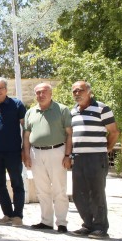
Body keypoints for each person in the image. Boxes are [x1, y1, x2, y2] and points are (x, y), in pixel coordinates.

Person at [69, 81, 119, 239]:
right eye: (74, 91)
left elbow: (114, 132)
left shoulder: (102, 108)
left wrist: (107, 149)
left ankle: (100, 228)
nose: (77, 93)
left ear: (89, 92)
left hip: (96, 158)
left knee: (96, 192)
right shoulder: (73, 112)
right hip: (78, 158)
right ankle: (88, 225)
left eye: (80, 90)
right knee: (78, 193)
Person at [23, 83, 72, 233]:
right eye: (38, 93)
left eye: (44, 92)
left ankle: (62, 222)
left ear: (51, 93)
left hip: (57, 151)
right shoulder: (31, 112)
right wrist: (26, 154)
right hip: (36, 153)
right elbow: (26, 135)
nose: (41, 95)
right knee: (42, 189)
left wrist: (67, 155)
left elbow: (69, 133)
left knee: (59, 189)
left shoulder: (62, 110)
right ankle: (46, 221)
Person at [0, 77, 26, 226]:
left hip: (13, 152)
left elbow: (25, 128)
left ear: (6, 89)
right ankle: (7, 213)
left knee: (17, 183)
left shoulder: (17, 104)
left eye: (0, 88)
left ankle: (18, 215)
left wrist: (24, 149)